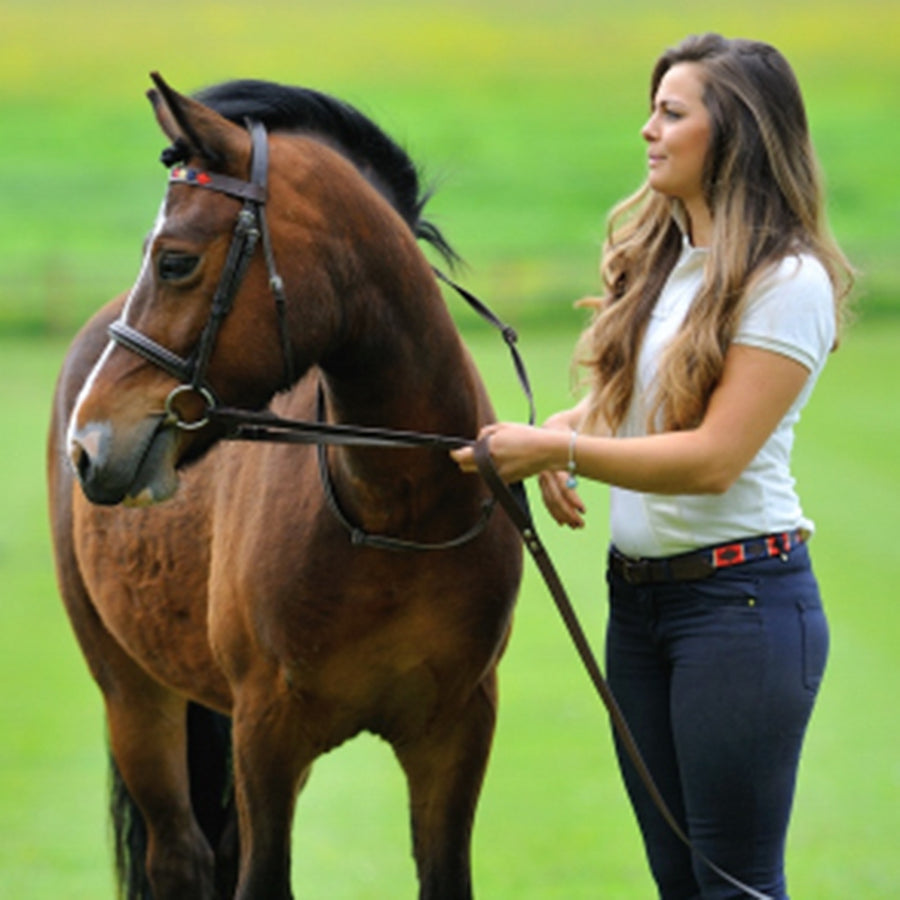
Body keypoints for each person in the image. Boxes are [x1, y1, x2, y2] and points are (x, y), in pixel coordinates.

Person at [452, 32, 853, 900]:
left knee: (734, 884)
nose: (647, 130)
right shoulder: (669, 263)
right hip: (640, 606)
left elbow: (713, 459)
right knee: (678, 880)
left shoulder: (789, 281)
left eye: (672, 112)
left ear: (736, 132)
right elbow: (638, 410)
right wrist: (566, 428)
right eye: (652, 109)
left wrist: (556, 449)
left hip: (741, 609)